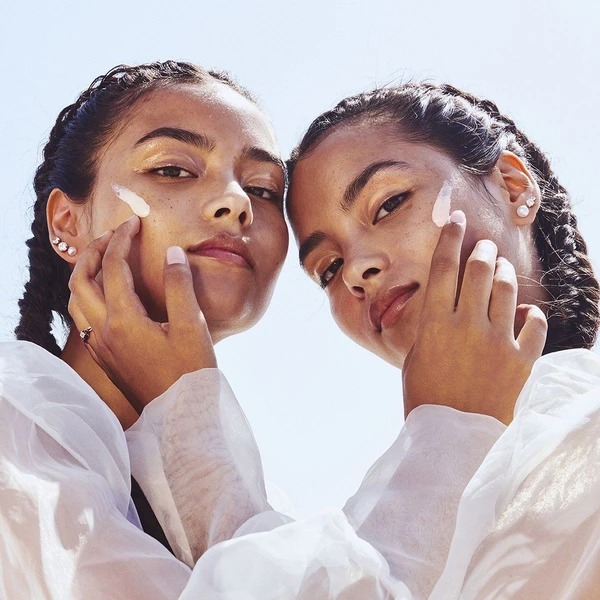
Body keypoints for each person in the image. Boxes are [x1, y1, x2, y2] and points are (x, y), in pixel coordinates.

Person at [2, 62, 520, 599]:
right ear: (66, 222)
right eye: (174, 169)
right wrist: (451, 430)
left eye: (263, 188)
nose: (236, 202)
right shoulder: (13, 425)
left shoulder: (259, 509)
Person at [286, 82, 600, 598]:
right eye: (329, 268)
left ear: (514, 187)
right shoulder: (368, 533)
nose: (357, 271)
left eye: (388, 204)